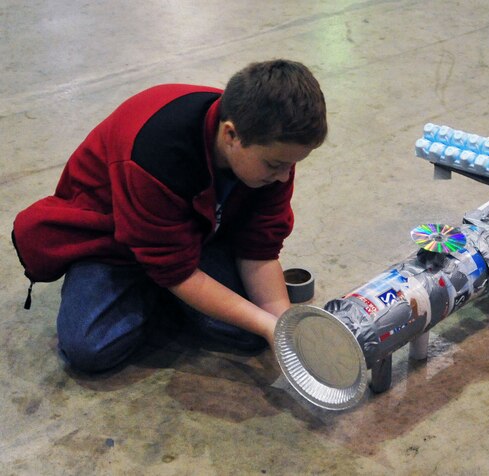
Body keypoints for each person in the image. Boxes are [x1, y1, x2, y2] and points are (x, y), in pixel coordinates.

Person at [11, 59, 328, 373]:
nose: (285, 177)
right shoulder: (154, 154)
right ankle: (154, 287)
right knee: (90, 347)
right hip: (112, 239)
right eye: (275, 165)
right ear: (231, 136)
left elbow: (259, 251)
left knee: (248, 334)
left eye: (292, 164)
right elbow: (179, 273)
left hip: (192, 233)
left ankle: (165, 288)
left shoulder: (271, 147)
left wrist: (281, 327)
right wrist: (259, 320)